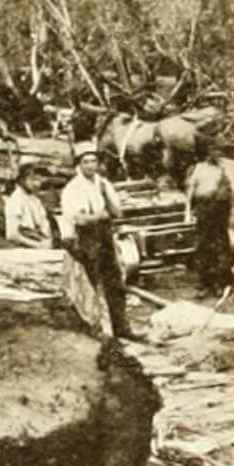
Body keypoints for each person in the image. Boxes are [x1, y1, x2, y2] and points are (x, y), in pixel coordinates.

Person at [60, 142, 139, 341]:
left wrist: (105, 195)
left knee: (115, 283)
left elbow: (117, 212)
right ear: (78, 164)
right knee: (91, 285)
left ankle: (122, 328)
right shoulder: (72, 188)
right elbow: (78, 219)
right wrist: (99, 216)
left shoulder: (102, 183)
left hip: (104, 236)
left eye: (93, 161)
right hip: (84, 239)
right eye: (85, 162)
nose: (90, 166)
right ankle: (98, 331)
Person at [184, 143, 234, 293]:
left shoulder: (225, 169)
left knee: (221, 244)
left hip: (220, 209)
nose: (216, 154)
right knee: (203, 245)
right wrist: (187, 211)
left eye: (219, 152)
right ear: (207, 152)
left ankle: (221, 281)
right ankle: (204, 282)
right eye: (213, 151)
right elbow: (191, 190)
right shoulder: (199, 168)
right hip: (203, 209)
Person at [2, 161, 57, 249]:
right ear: (21, 179)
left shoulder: (35, 200)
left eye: (39, 180)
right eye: (33, 179)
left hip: (43, 243)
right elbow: (12, 234)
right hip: (24, 247)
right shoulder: (16, 200)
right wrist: (37, 245)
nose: (37, 184)